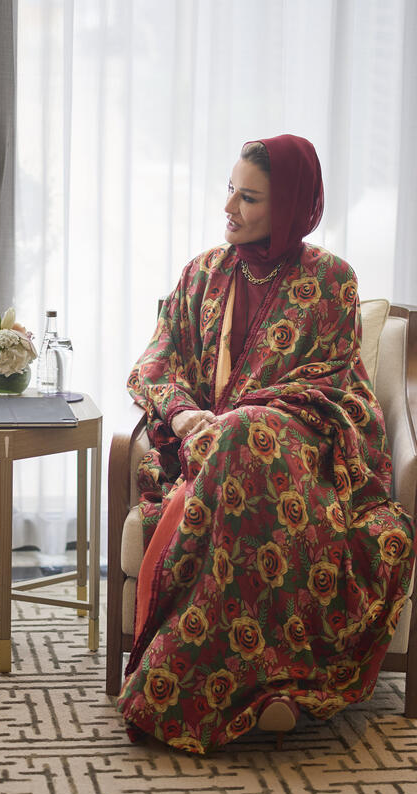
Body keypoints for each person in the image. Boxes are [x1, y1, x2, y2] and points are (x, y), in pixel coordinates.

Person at [117, 134, 415, 753]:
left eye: (248, 198)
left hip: (297, 459)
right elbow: (154, 364)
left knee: (246, 436)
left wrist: (240, 422)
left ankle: (212, 693)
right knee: (233, 443)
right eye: (230, 189)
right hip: (201, 458)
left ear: (290, 208)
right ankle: (265, 694)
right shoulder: (200, 274)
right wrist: (182, 417)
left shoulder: (331, 280)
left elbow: (333, 385)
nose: (229, 207)